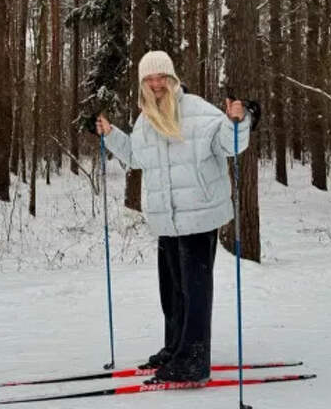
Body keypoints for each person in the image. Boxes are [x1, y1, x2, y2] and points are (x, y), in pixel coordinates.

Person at [96, 50, 250, 383]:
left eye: (160, 77)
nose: (155, 84)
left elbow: (229, 144)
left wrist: (237, 120)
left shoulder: (198, 112)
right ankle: (175, 347)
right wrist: (111, 135)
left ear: (172, 79)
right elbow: (137, 158)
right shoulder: (145, 120)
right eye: (148, 79)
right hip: (166, 220)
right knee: (173, 292)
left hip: (199, 216)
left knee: (195, 293)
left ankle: (193, 361)